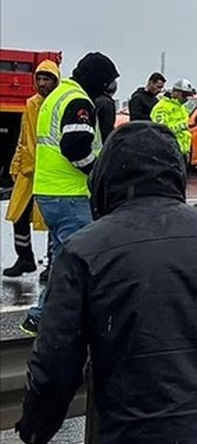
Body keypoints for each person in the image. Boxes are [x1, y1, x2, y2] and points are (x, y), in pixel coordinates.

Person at [15, 123, 197, 444]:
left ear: (106, 179)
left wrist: (35, 429)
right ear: (175, 174)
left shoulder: (83, 251)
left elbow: (56, 363)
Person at [20, 52, 118, 336]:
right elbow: (75, 147)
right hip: (70, 194)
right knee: (85, 261)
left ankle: (45, 317)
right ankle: (67, 322)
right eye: (107, 82)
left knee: (64, 259)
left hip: (50, 191)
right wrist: (98, 174)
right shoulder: (78, 101)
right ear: (97, 79)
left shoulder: (58, 95)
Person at [3, 60, 59, 278]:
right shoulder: (31, 104)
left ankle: (52, 262)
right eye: (39, 78)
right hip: (29, 169)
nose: (42, 83)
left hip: (50, 171)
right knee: (19, 214)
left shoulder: (58, 103)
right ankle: (25, 258)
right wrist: (16, 163)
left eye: (47, 79)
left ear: (55, 80)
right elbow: (23, 138)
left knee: (51, 219)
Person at [150, 78, 196, 159]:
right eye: (184, 95)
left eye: (188, 96)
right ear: (175, 92)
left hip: (181, 152)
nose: (186, 99)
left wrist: (187, 152)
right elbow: (160, 130)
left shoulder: (181, 108)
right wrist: (182, 126)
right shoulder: (162, 108)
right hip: (168, 152)